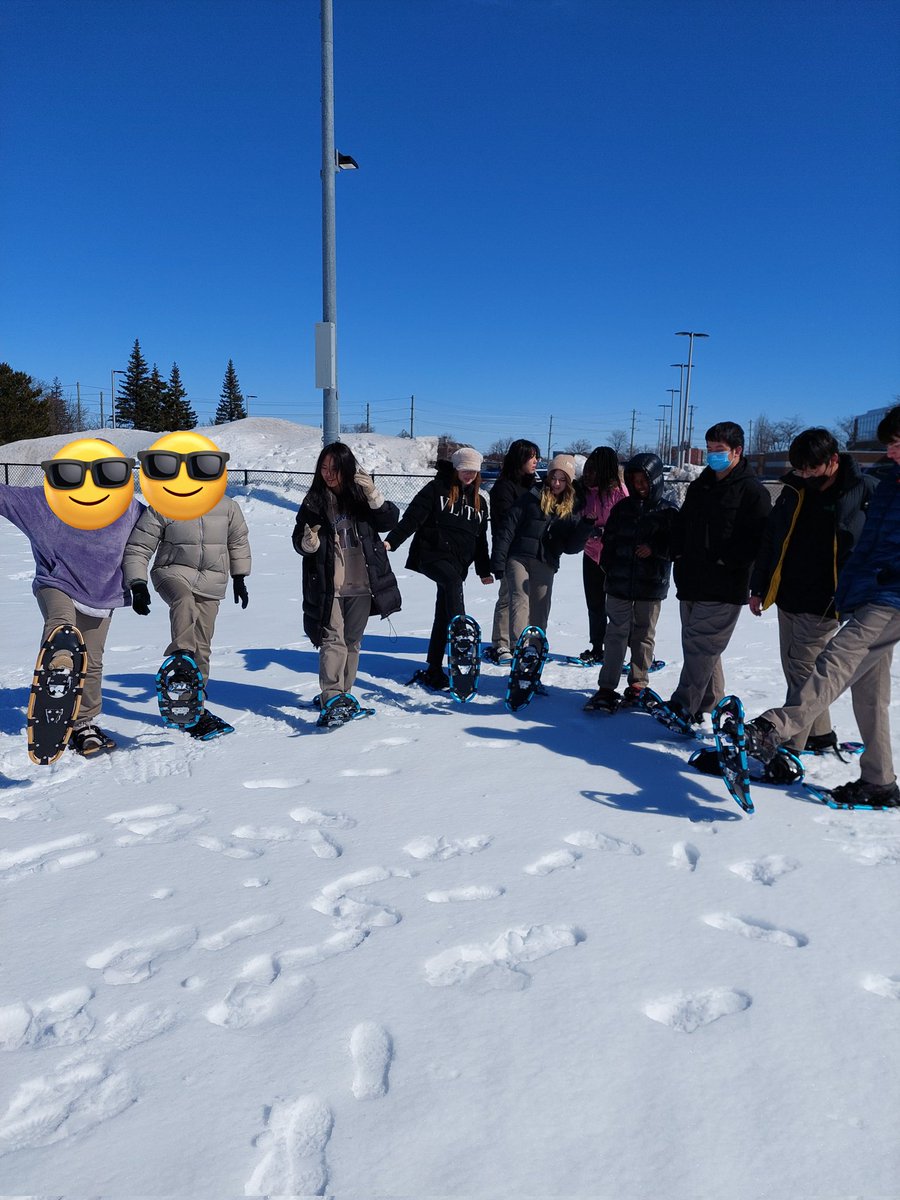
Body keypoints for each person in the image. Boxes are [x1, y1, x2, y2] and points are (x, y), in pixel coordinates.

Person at [741, 406, 900, 808]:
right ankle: (880, 780)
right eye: (889, 445)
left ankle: (774, 729)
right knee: (870, 693)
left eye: (897, 444)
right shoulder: (892, 483)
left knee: (833, 661)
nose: (890, 452)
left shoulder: (865, 486)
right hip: (863, 594)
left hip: (890, 597)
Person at [0, 440, 144, 756]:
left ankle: (84, 724)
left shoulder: (131, 508)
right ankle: (60, 660)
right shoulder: (41, 502)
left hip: (104, 593)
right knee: (61, 625)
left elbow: (162, 532)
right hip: (57, 582)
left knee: (91, 660)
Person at [748, 427, 876, 753]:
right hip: (788, 594)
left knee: (805, 673)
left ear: (833, 460)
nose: (805, 474)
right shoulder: (795, 489)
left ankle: (788, 747)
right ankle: (820, 735)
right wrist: (759, 586)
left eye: (811, 468)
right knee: (796, 671)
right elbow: (770, 539)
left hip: (825, 600)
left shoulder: (861, 492)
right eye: (799, 468)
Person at [665, 421, 771, 726]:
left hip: (725, 584)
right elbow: (683, 525)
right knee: (700, 647)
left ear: (737, 451)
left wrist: (728, 561)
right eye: (709, 449)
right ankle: (709, 705)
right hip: (691, 580)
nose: (712, 455)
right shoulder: (701, 486)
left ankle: (682, 705)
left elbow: (758, 540)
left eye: (719, 450)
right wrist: (678, 553)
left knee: (700, 645)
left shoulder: (753, 492)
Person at [123, 492, 252, 740]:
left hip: (212, 581)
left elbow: (238, 541)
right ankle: (181, 657)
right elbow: (139, 546)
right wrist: (138, 584)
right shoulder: (164, 504)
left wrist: (240, 578)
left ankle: (195, 709)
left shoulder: (228, 507)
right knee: (183, 602)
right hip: (172, 573)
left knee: (202, 647)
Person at [291, 443, 401, 725]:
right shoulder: (315, 500)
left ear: (347, 469)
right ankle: (331, 695)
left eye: (334, 469)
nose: (328, 474)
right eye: (324, 468)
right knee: (332, 639)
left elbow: (389, 519)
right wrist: (307, 544)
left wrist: (373, 494)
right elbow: (298, 538)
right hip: (330, 584)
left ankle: (345, 695)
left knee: (352, 642)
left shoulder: (361, 497)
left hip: (363, 582)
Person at [384, 446, 493, 691]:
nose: (469, 475)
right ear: (455, 468)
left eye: (473, 471)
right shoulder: (436, 490)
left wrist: (484, 570)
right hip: (431, 555)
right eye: (465, 469)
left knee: (443, 613)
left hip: (458, 563)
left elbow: (480, 540)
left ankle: (434, 669)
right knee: (452, 584)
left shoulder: (480, 502)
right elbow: (412, 518)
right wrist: (392, 541)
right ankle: (462, 634)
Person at [584, 452, 678, 712]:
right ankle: (606, 687)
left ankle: (638, 684)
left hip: (650, 587)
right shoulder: (621, 508)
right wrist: (609, 567)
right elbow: (609, 543)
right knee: (615, 634)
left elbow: (677, 546)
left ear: (656, 480)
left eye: (644, 481)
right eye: (635, 481)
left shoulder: (668, 511)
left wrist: (655, 548)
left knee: (643, 636)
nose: (639, 486)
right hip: (618, 585)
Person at [491, 453, 592, 653]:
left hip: (546, 560)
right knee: (520, 599)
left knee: (540, 605)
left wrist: (585, 528)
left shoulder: (572, 508)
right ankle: (520, 647)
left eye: (562, 479)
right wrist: (498, 560)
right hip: (518, 557)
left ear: (569, 481)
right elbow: (507, 528)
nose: (556, 483)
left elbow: (571, 547)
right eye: (553, 477)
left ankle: (535, 650)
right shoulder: (530, 497)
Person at [482, 438, 541, 664]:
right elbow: (505, 522)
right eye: (531, 457)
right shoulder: (504, 487)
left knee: (524, 599)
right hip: (510, 550)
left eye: (537, 457)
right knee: (508, 596)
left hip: (531, 551)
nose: (536, 461)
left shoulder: (533, 484)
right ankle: (500, 643)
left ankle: (521, 639)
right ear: (519, 459)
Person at [576, 446, 628, 665]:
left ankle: (623, 649)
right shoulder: (582, 491)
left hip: (614, 557)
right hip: (590, 554)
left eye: (593, 471)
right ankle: (597, 646)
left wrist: (603, 531)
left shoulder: (619, 492)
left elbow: (626, 523)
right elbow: (575, 516)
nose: (588, 475)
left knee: (618, 606)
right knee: (595, 603)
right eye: (587, 470)